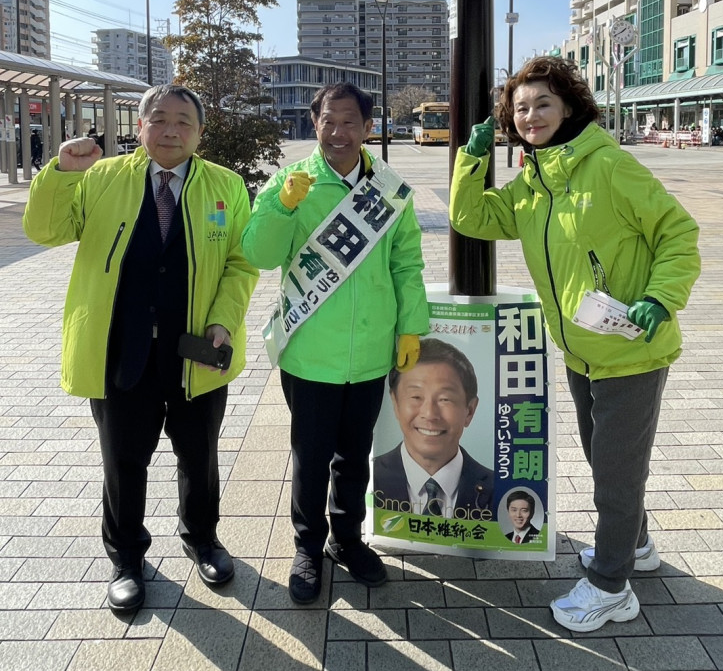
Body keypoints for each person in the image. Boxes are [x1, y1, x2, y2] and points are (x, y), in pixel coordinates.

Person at [449, 56, 700, 633]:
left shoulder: (608, 166)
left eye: (542, 104)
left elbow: (678, 231)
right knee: (607, 462)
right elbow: (469, 216)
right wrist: (473, 155)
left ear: (568, 107)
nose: (530, 115)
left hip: (632, 351)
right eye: (520, 108)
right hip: (582, 352)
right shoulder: (534, 185)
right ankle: (635, 546)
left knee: (615, 471)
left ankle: (613, 587)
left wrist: (661, 298)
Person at [23, 84, 258, 614]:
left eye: (182, 121)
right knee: (123, 459)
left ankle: (202, 539)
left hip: (195, 351)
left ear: (199, 132)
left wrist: (223, 320)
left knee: (198, 455)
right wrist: (59, 173)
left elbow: (242, 263)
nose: (169, 130)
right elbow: (44, 230)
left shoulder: (225, 186)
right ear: (141, 125)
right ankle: (126, 557)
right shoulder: (101, 177)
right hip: (119, 348)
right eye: (158, 119)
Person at [242, 82, 429, 605]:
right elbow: (258, 253)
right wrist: (281, 207)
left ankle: (346, 539)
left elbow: (406, 263)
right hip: (310, 354)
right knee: (311, 455)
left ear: (368, 128)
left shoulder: (390, 190)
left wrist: (411, 325)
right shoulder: (291, 181)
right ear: (314, 122)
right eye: (329, 120)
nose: (339, 131)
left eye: (351, 121)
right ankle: (308, 546)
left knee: (355, 455)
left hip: (370, 354)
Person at [372, 338, 493, 520]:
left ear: (470, 410)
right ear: (395, 403)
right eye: (416, 396)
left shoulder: (500, 490)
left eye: (445, 399)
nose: (429, 414)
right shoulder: (370, 478)